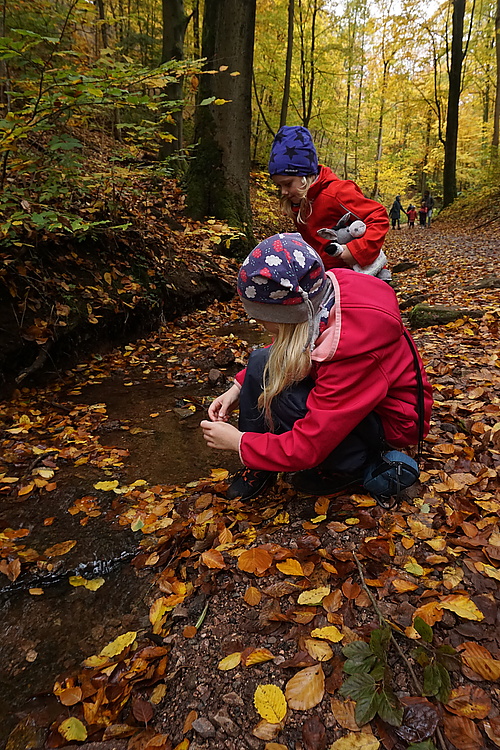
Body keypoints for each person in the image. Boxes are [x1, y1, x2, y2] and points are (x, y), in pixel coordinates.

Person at [200, 233, 432, 502]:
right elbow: (285, 345)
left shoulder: (353, 351)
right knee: (259, 362)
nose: (262, 327)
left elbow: (309, 445)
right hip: (362, 400)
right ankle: (260, 463)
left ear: (288, 316)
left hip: (392, 424)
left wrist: (238, 443)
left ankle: (351, 465)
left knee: (289, 402)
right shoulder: (321, 296)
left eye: (265, 320)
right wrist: (237, 389)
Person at [268, 126, 390, 278]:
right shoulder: (301, 202)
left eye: (287, 184)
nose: (283, 192)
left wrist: (357, 250)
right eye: (279, 186)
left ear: (306, 176)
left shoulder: (336, 193)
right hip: (330, 276)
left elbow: (378, 216)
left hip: (360, 274)